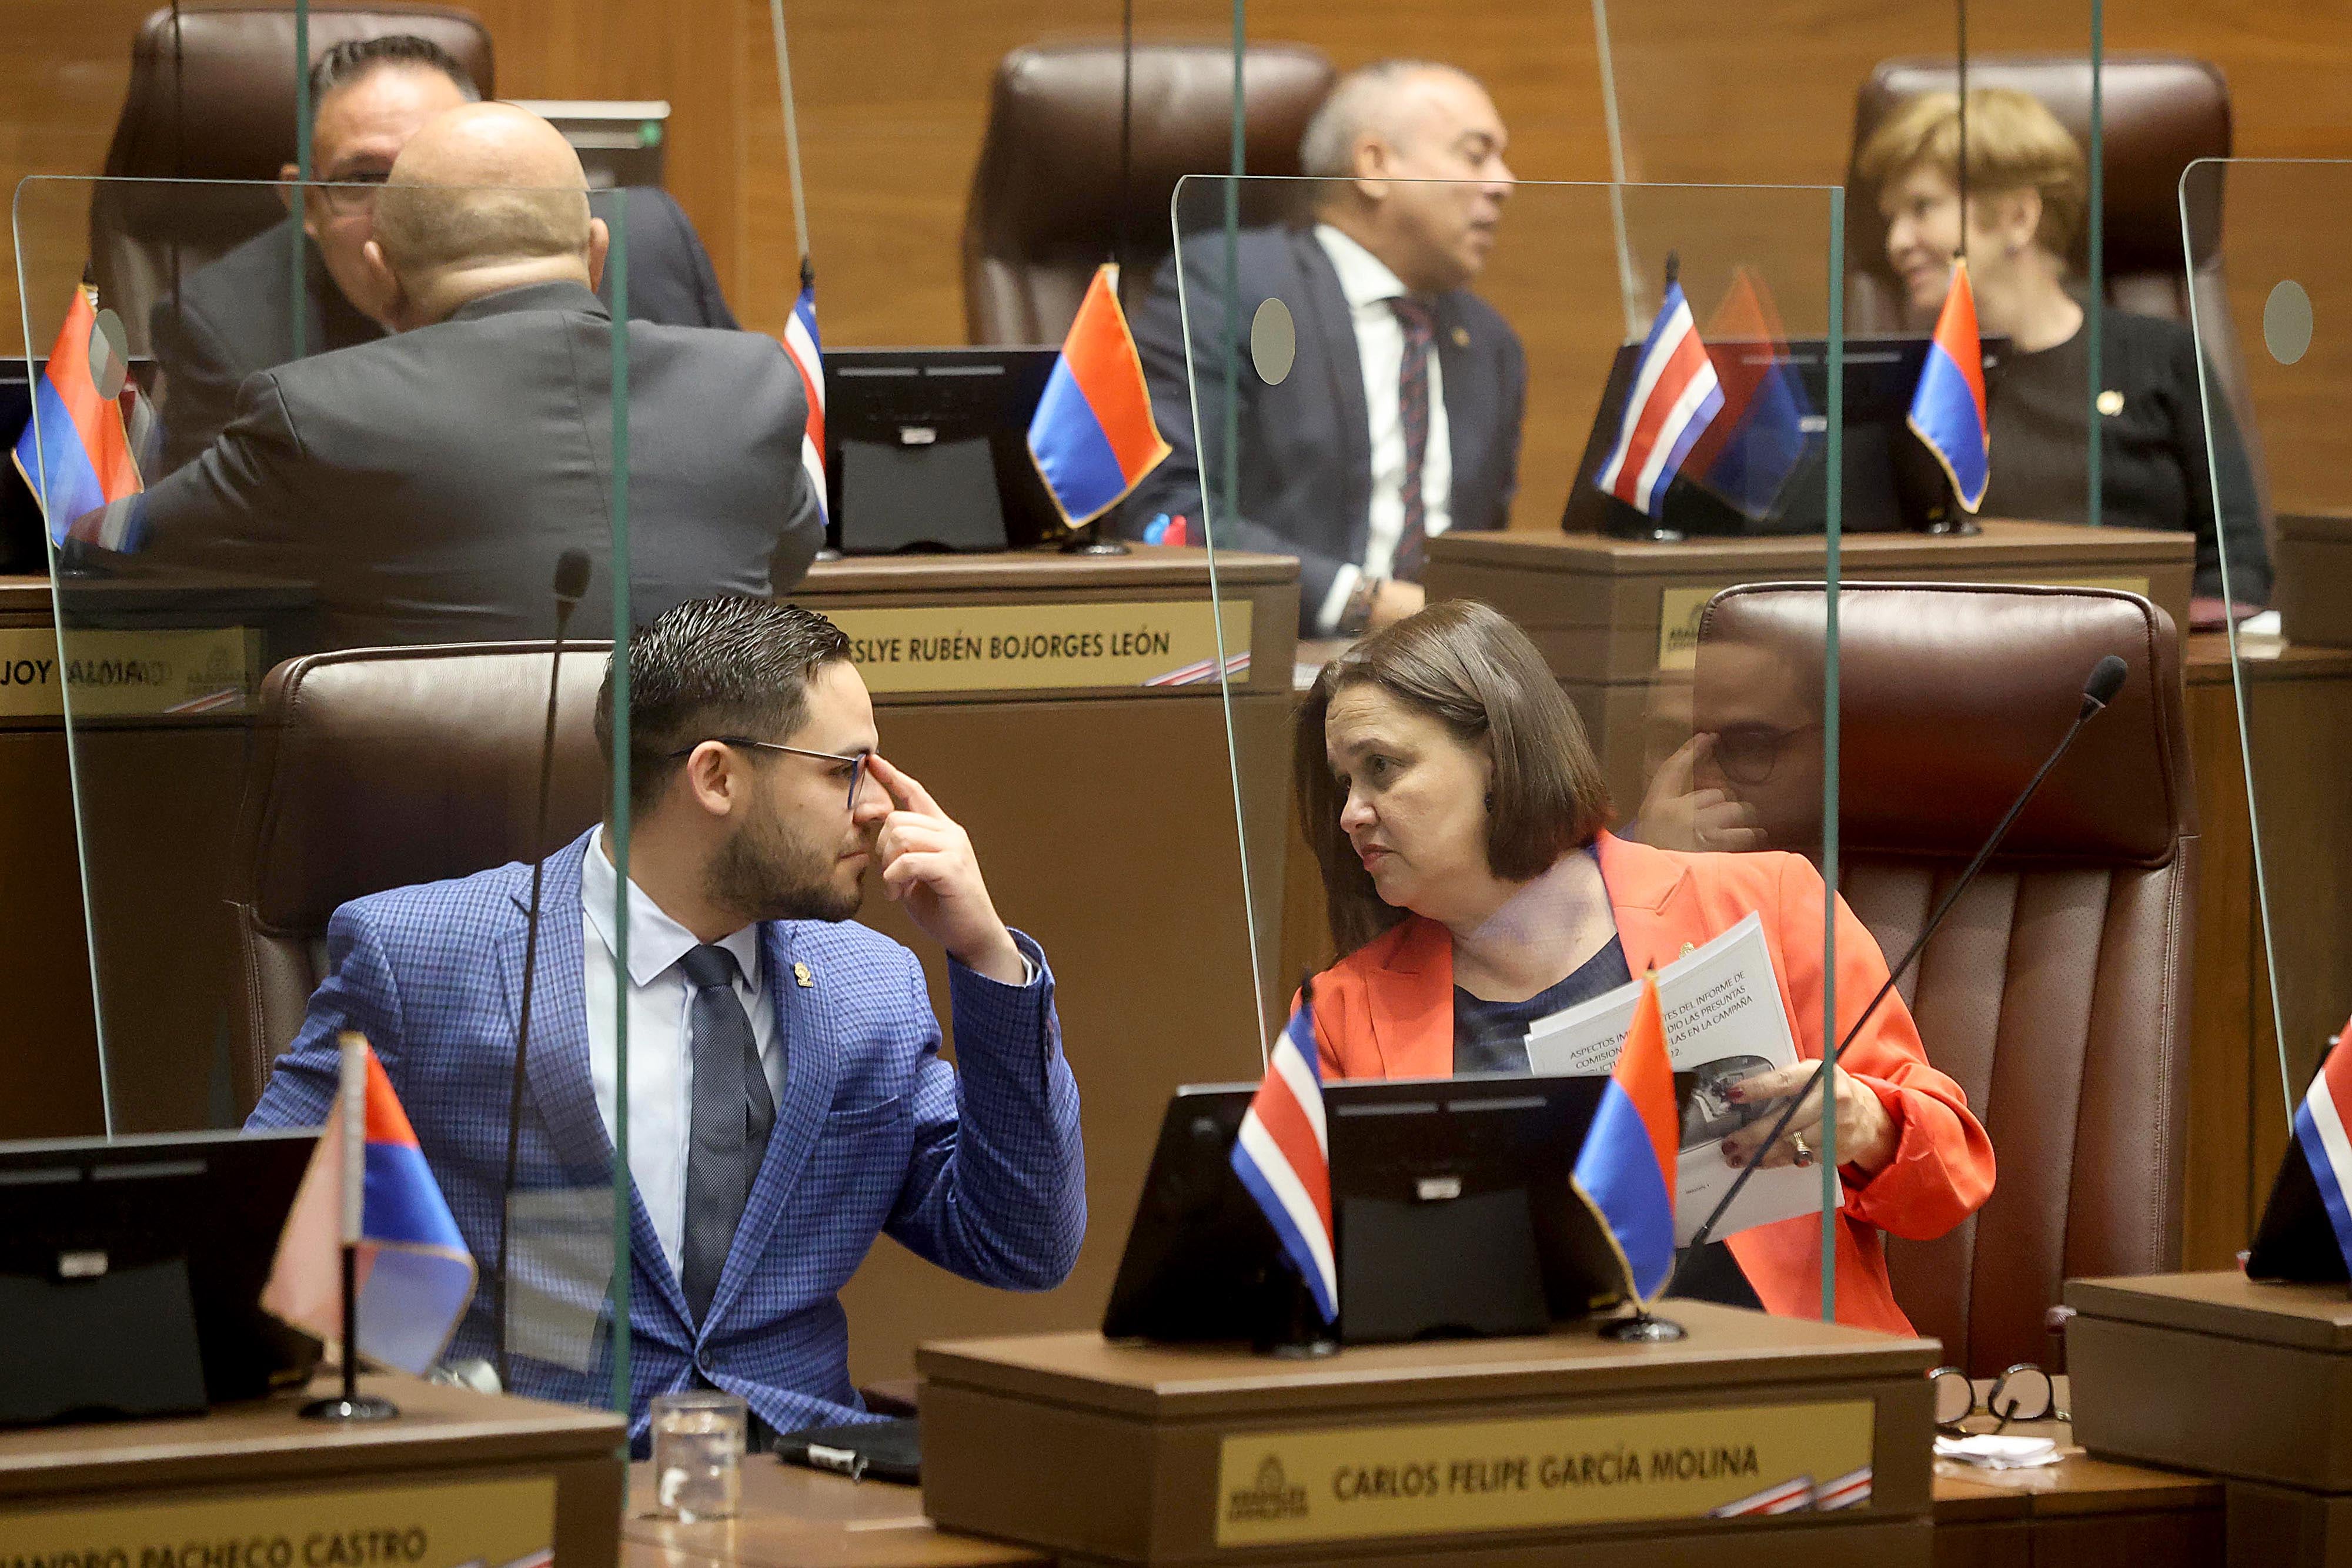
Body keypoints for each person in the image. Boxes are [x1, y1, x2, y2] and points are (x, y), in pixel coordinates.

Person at [245, 596, 1085, 1445]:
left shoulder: (868, 989)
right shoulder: (424, 957)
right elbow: (257, 1228)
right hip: (551, 1482)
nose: (879, 807)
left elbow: (1021, 1242)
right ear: (716, 776)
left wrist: (986, 957)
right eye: (845, 769)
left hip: (801, 1490)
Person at [1293, 600, 1993, 1333]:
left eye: (1382, 768)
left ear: (1496, 755)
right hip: (1524, 1412)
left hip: (1786, 1389)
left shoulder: (1768, 904)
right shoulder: (1339, 1014)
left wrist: (1867, 1123)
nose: (1351, 814)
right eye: (1344, 783)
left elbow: (1948, 1180)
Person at [134, 102, 822, 651]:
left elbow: (118, 559)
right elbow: (783, 558)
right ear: (595, 253)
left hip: (432, 823)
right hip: (700, 816)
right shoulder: (752, 384)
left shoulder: (318, 411)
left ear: (380, 272)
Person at [148, 34, 738, 476]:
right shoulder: (226, 328)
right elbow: (217, 563)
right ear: (305, 203)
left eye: (435, 168)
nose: (403, 208)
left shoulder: (648, 247)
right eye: (364, 178)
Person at [1122, 60, 1525, 638]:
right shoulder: (1237, 285)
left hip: (1449, 688)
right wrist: (1367, 604)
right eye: (1475, 153)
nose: (1502, 183)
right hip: (1269, 661)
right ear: (1375, 165)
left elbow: (1484, 549)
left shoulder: (1489, 344)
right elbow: (1165, 513)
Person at [1859, 87, 2271, 616]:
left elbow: (2237, 566)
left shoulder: (2161, 356)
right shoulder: (1911, 386)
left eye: (1922, 208)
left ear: (2018, 217)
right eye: (1893, 217)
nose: (1897, 241)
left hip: (2143, 666)